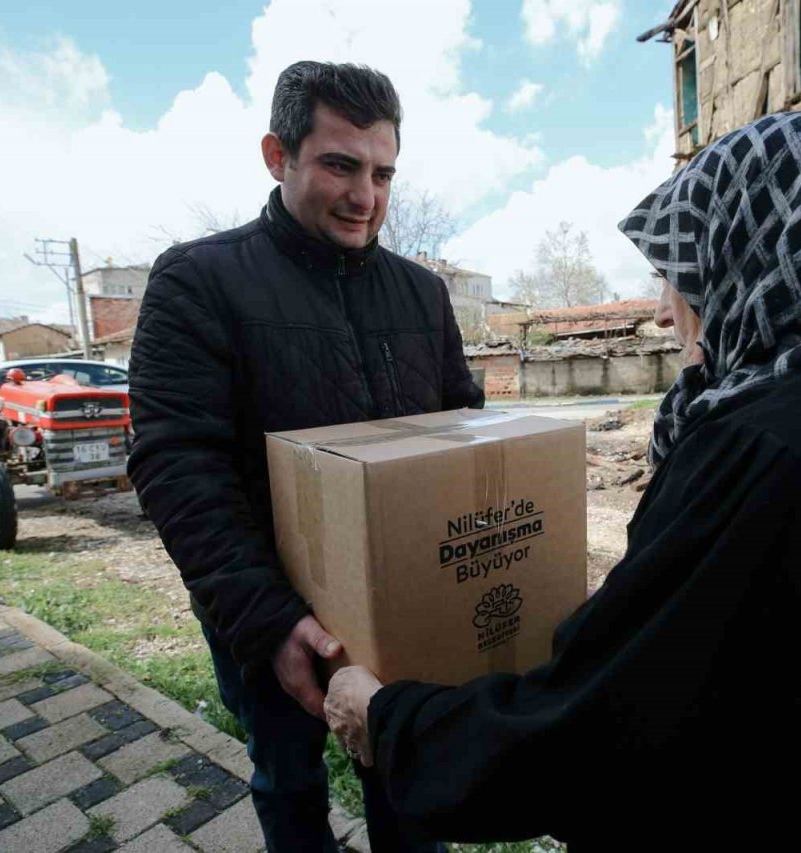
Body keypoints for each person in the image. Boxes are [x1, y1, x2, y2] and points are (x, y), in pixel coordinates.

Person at [323, 111, 801, 851]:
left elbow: (602, 729)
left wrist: (388, 720)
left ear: (777, 252)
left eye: (684, 270)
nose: (666, 311)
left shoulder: (772, 449)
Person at [128, 60, 481, 852]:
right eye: (340, 165)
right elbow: (175, 459)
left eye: (383, 172)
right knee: (288, 782)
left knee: (405, 782)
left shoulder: (421, 294)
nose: (367, 196)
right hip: (267, 616)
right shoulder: (198, 280)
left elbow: (460, 432)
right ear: (276, 154)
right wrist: (268, 619)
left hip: (396, 610)